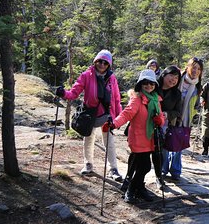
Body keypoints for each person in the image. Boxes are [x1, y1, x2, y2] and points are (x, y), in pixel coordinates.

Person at [56, 50, 123, 181]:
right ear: (95, 61)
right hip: (89, 113)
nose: (102, 64)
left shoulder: (112, 78)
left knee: (109, 141)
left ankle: (113, 169)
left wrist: (117, 118)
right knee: (88, 138)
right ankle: (88, 164)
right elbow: (74, 93)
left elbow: (116, 98)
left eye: (105, 62)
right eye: (100, 61)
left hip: (106, 115)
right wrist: (63, 93)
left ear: (109, 64)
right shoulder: (86, 75)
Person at [111, 69, 165, 203]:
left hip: (151, 138)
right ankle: (130, 189)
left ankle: (140, 188)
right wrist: (113, 124)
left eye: (151, 84)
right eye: (145, 83)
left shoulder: (156, 99)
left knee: (144, 166)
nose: (149, 86)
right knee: (145, 166)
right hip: (138, 138)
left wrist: (160, 120)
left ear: (155, 85)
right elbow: (126, 114)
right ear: (140, 84)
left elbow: (161, 116)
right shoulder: (137, 99)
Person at [162, 57, 203, 181]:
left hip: (185, 119)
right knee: (164, 142)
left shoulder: (197, 87)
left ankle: (175, 170)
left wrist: (194, 111)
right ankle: (163, 169)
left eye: (199, 69)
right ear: (188, 67)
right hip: (168, 116)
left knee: (178, 144)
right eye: (193, 67)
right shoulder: (177, 80)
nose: (195, 70)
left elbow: (195, 105)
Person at [154, 65, 182, 188]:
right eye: (171, 75)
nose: (173, 79)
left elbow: (177, 111)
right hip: (149, 122)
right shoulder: (154, 87)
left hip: (165, 125)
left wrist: (167, 114)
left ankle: (160, 175)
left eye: (176, 77)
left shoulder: (176, 93)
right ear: (164, 75)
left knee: (162, 150)